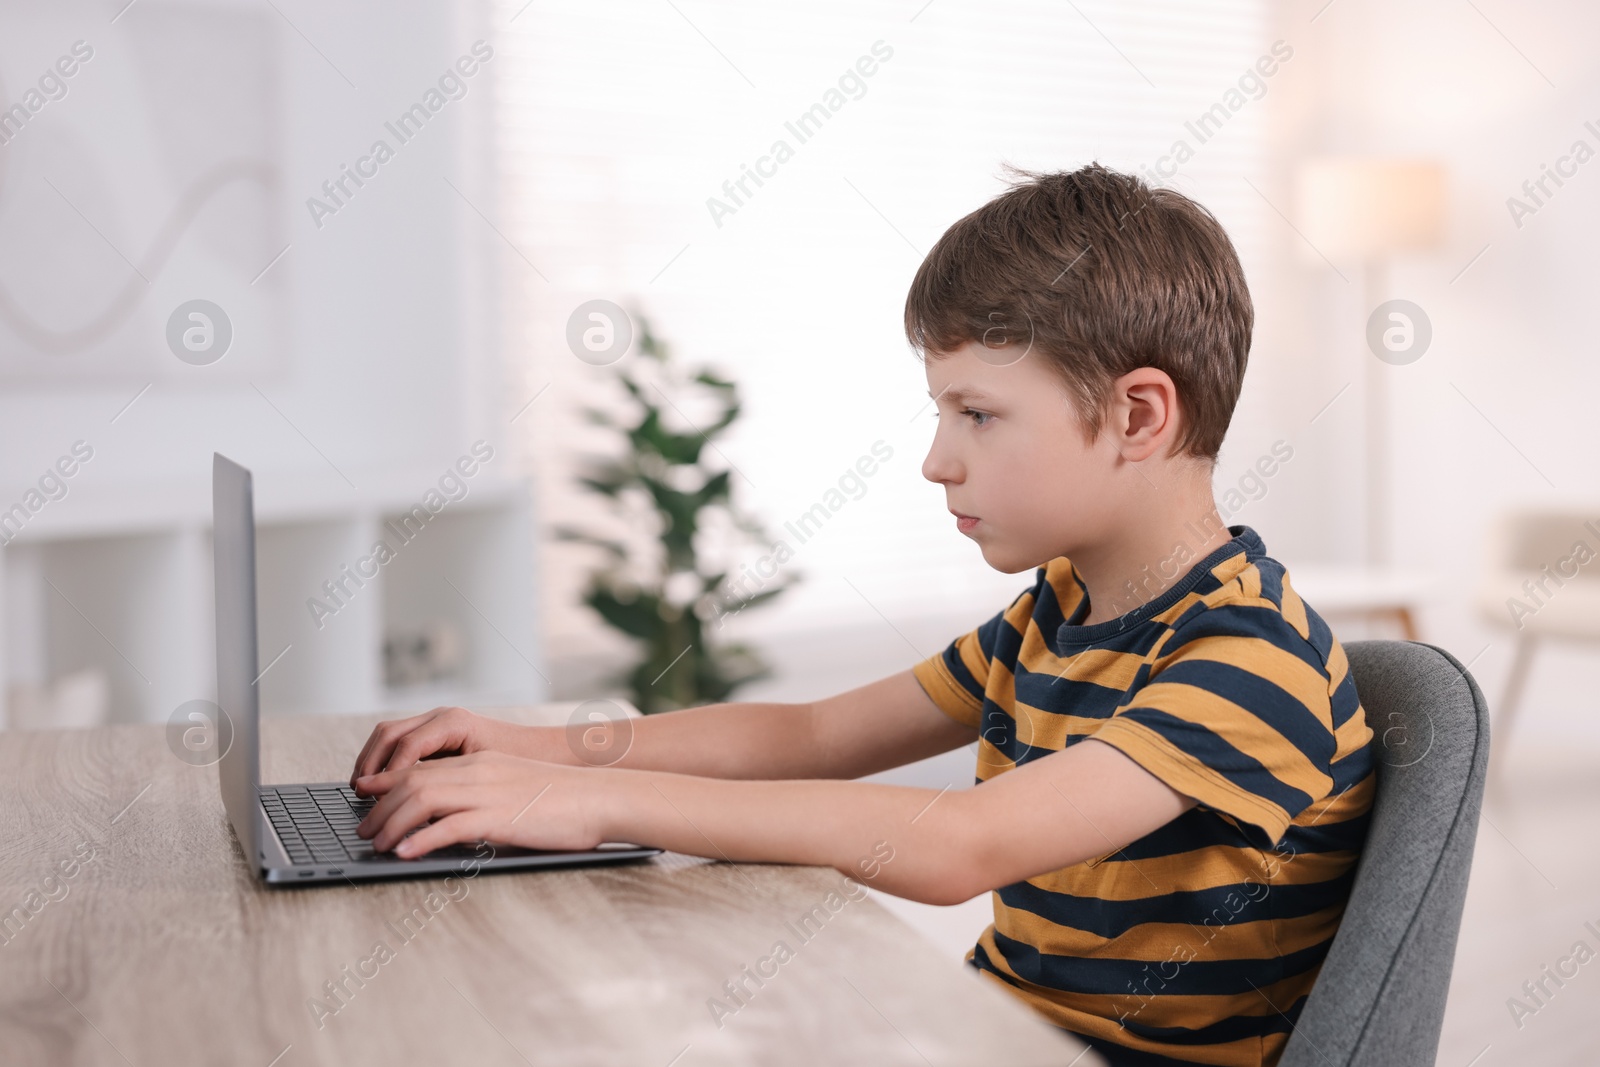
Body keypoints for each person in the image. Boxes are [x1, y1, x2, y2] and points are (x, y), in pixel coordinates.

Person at [350, 163, 1374, 1067]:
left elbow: (962, 842)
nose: (938, 458)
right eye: (941, 411)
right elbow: (812, 734)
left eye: (976, 412)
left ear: (1140, 416)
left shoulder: (1251, 659)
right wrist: (534, 752)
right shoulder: (1057, 614)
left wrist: (598, 808)